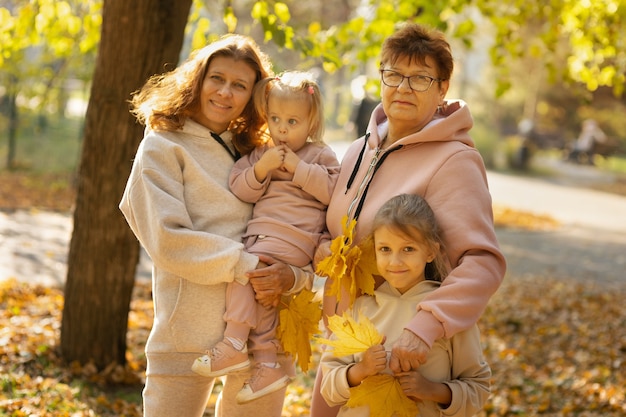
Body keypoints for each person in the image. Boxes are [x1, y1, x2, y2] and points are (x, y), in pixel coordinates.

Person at [311, 23, 506, 416]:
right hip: (347, 348)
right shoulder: (358, 150)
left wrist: (426, 327)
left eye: (420, 78)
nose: (403, 87)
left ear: (442, 88)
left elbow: (483, 264)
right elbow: (336, 231)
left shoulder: (454, 161)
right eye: (394, 74)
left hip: (403, 352)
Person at [119, 34, 313, 417]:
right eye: (217, 79)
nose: (225, 92)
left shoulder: (258, 151)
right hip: (187, 330)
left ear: (254, 95)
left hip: (263, 334)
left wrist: (292, 276)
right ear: (197, 80)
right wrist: (249, 266)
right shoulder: (162, 147)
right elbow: (168, 239)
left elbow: (298, 222)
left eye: (239, 85)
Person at [191, 71, 340, 403]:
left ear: (312, 122)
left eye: (292, 121)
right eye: (275, 119)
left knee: (245, 274)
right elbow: (239, 186)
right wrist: (262, 168)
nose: (282, 129)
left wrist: (299, 170)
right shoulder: (263, 153)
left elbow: (333, 191)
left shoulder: (321, 156)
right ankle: (267, 362)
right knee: (259, 291)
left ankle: (233, 342)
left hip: (295, 238)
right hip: (263, 237)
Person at [320, 193, 491, 416]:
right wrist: (360, 370)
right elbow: (328, 387)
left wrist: (433, 390)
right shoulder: (359, 308)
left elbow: (478, 389)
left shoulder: (446, 313)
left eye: (408, 249)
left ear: (430, 251)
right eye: (385, 249)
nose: (395, 261)